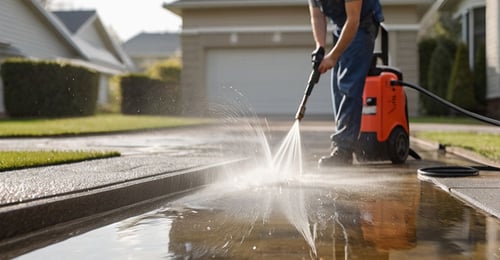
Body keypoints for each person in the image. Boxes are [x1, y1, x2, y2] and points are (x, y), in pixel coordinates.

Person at [308, 0, 384, 166]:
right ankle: (345, 144)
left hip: (362, 24)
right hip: (342, 27)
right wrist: (320, 48)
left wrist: (333, 57)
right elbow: (317, 17)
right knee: (337, 87)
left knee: (348, 85)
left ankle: (344, 149)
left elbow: (353, 19)